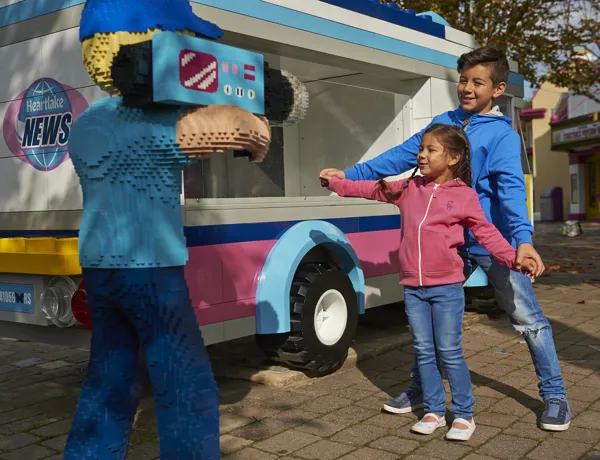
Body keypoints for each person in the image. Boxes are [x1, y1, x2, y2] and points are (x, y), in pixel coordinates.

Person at [320, 46, 571, 432]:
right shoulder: (443, 122)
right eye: (463, 80)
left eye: (477, 82)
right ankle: (423, 390)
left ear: (498, 89)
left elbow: (509, 191)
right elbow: (399, 157)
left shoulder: (502, 135)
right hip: (447, 239)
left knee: (526, 317)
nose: (467, 88)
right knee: (432, 320)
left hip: (491, 238)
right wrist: (350, 174)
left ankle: (555, 396)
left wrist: (522, 239)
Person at [63, 0, 270, 458]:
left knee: (109, 378)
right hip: (151, 268)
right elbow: (240, 130)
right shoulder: (166, 125)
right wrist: (261, 108)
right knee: (184, 381)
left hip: (99, 267)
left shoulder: (86, 123)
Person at [321, 124, 539, 441]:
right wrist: (338, 183)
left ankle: (464, 415)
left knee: (449, 351)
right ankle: (434, 411)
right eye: (421, 149)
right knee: (424, 351)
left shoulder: (464, 195)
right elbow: (369, 189)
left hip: (447, 288)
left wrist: (513, 258)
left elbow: (487, 233)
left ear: (453, 157)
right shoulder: (409, 188)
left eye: (430, 150)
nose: (421, 155)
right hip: (413, 288)